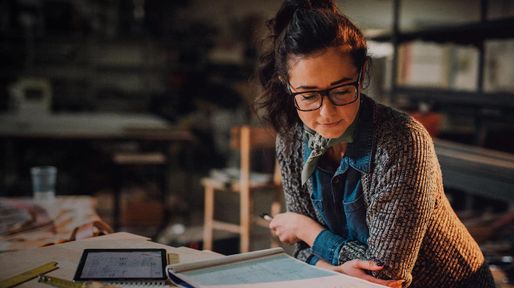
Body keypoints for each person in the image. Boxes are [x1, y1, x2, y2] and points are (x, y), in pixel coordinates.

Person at [256, 0, 495, 287]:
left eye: (342, 90)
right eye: (308, 96)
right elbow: (301, 251)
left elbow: (386, 275)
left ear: (361, 74)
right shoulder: (291, 141)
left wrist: (306, 228)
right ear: (287, 84)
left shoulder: (403, 141)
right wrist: (329, 266)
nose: (327, 113)